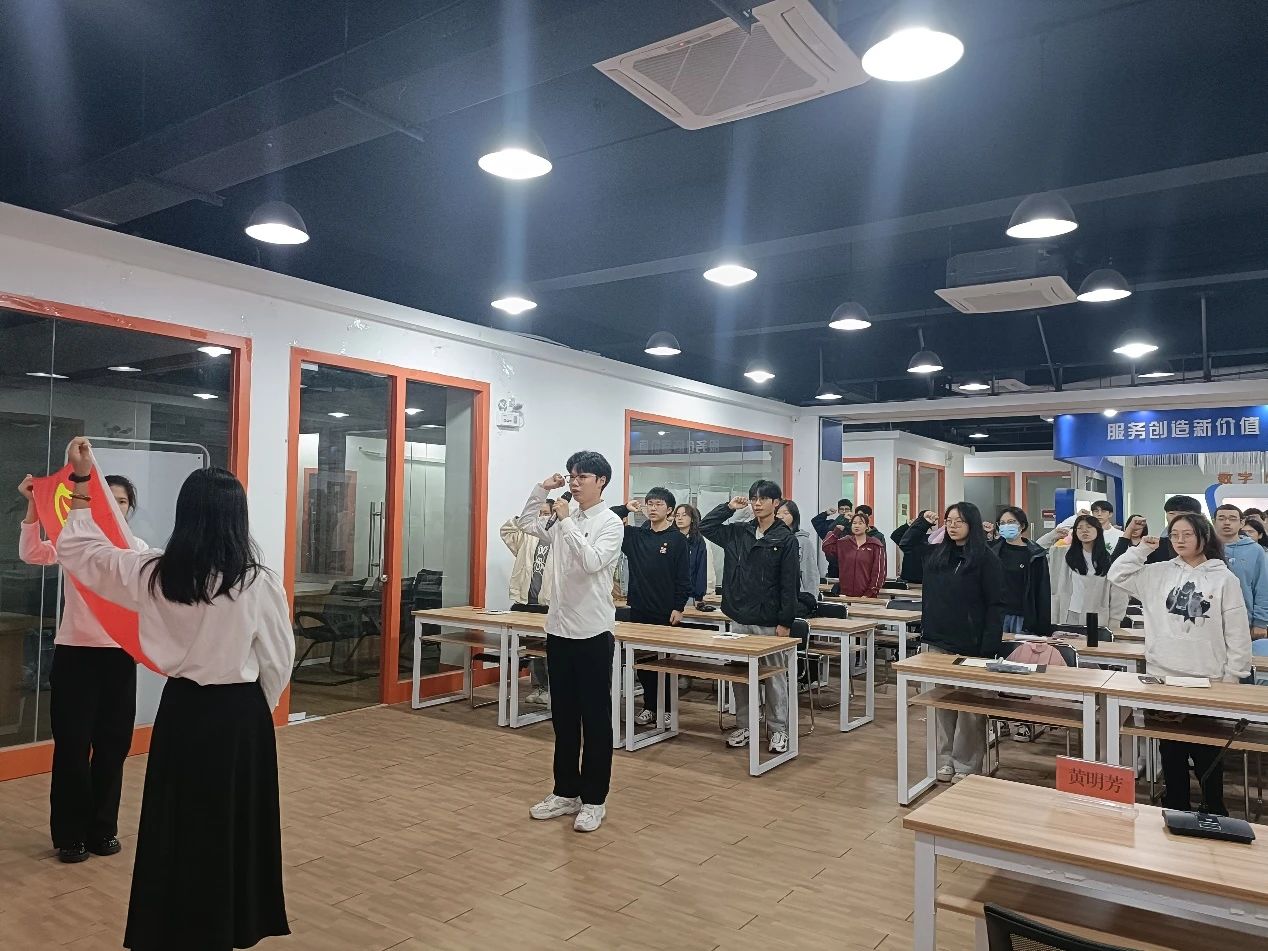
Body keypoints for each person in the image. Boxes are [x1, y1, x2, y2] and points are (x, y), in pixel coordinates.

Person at [54, 438, 292, 951]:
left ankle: (175, 927)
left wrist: (81, 481)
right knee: (233, 823)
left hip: (183, 711)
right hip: (239, 716)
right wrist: (257, 709)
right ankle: (231, 924)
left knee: (179, 823)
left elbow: (78, 553)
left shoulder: (155, 573)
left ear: (186, 516)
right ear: (238, 519)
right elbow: (279, 660)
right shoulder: (257, 583)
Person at [17, 472, 145, 864]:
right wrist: (33, 505)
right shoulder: (73, 545)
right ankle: (70, 837)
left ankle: (102, 830)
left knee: (113, 747)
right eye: (110, 499)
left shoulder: (136, 548)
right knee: (72, 748)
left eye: (122, 501)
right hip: (75, 655)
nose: (116, 506)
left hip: (119, 657)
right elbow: (31, 553)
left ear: (130, 508)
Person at [1109, 513, 1252, 814]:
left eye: (1187, 534)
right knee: (1171, 751)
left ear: (1204, 537)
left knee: (1207, 753)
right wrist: (1141, 549)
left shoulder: (1223, 578)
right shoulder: (1157, 572)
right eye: (1174, 535)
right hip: (1164, 676)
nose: (1180, 540)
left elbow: (1238, 632)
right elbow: (1117, 574)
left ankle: (1214, 809)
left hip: (1208, 679)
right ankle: (1176, 808)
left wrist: (1233, 676)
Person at [519, 451, 623, 833]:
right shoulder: (567, 518)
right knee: (563, 717)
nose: (574, 483)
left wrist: (565, 522)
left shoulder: (610, 523)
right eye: (571, 476)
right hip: (559, 630)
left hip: (593, 632)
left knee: (595, 720)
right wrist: (541, 490)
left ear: (601, 481)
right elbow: (526, 524)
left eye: (583, 477)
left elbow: (593, 562)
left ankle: (594, 800)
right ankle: (565, 791)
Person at [902, 502, 1005, 782]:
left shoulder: (986, 559)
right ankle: (945, 760)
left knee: (970, 710)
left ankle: (966, 764)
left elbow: (996, 605)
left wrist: (988, 647)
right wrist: (922, 522)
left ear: (972, 524)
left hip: (972, 645)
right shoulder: (937, 554)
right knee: (943, 705)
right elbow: (906, 543)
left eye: (959, 521)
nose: (952, 526)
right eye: (948, 521)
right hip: (937, 641)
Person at [701, 480, 799, 754]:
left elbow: (789, 584)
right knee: (741, 676)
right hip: (739, 615)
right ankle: (745, 725)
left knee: (774, 677)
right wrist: (729, 507)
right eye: (754, 498)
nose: (757, 503)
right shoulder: (739, 532)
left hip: (769, 620)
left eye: (763, 499)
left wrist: (785, 621)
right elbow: (706, 527)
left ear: (775, 503)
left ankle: (778, 730)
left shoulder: (785, 539)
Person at [612, 489, 690, 728]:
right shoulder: (636, 536)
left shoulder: (677, 539)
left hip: (665, 611)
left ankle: (667, 708)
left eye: (658, 504)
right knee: (643, 664)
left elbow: (683, 577)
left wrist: (679, 606)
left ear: (669, 510)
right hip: (639, 608)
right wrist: (625, 508)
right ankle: (650, 706)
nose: (653, 508)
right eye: (649, 504)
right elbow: (610, 518)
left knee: (663, 663)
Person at [500, 502, 555, 705]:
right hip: (527, 603)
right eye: (539, 513)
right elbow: (506, 531)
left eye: (546, 513)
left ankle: (553, 689)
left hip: (550, 604)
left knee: (550, 651)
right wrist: (523, 518)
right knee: (533, 650)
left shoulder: (558, 538)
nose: (542, 517)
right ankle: (539, 687)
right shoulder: (528, 536)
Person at [1039, 513, 1127, 628]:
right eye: (1079, 528)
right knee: (1065, 639)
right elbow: (1036, 549)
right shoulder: (1062, 554)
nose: (1084, 530)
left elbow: (1119, 594)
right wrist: (1052, 535)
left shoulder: (1106, 560)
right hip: (1066, 613)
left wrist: (1115, 621)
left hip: (1096, 616)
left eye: (1089, 527)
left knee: (1092, 640)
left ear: (1098, 531)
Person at [990, 507, 1051, 636]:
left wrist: (1043, 628)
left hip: (1023, 617)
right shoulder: (992, 551)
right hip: (996, 615)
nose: (1006, 526)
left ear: (1022, 525)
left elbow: (1042, 593)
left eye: (1011, 522)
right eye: (1002, 523)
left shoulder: (1036, 555)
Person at [1214, 504, 1268, 638]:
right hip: (1208, 619)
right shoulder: (1204, 548)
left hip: (1243, 619)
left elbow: (1262, 587)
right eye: (1221, 518)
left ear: (1242, 523)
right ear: (1214, 522)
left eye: (1232, 519)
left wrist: (1260, 622)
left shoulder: (1255, 550)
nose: (1227, 522)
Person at [777, 500, 826, 615]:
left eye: (786, 513)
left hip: (795, 599)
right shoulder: (770, 539)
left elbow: (810, 574)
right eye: (778, 513)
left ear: (794, 516)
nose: (781, 516)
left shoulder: (803, 542)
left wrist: (811, 601)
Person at [823, 512, 886, 597]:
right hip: (844, 594)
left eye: (860, 523)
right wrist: (836, 531)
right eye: (854, 523)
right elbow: (827, 547)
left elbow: (879, 572)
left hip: (866, 596)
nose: (857, 526)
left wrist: (869, 593)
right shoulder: (844, 542)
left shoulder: (875, 545)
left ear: (867, 526)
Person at [1147, 495, 1203, 564]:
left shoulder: (1206, 542)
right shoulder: (1157, 545)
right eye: (1171, 514)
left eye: (1182, 514)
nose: (1175, 518)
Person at [673, 503, 708, 603]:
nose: (680, 518)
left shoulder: (698, 541)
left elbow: (701, 569)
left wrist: (699, 595)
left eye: (684, 515)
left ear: (692, 519)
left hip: (689, 594)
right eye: (677, 515)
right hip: (668, 593)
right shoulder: (670, 538)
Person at [1053, 500, 1122, 549]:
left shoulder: (1120, 535)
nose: (1099, 514)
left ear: (1110, 514)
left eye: (1103, 511)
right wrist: (1077, 516)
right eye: (1096, 511)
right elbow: (1059, 530)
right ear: (1092, 513)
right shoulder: (1082, 532)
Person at [812, 498, 853, 578]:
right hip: (834, 565)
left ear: (851, 510)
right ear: (838, 511)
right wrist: (826, 513)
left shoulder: (854, 526)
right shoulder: (832, 524)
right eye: (841, 509)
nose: (844, 511)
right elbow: (816, 521)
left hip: (851, 564)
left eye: (847, 509)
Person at [891, 513, 927, 584]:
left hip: (925, 578)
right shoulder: (910, 539)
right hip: (908, 577)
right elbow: (895, 535)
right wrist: (909, 525)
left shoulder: (932, 537)